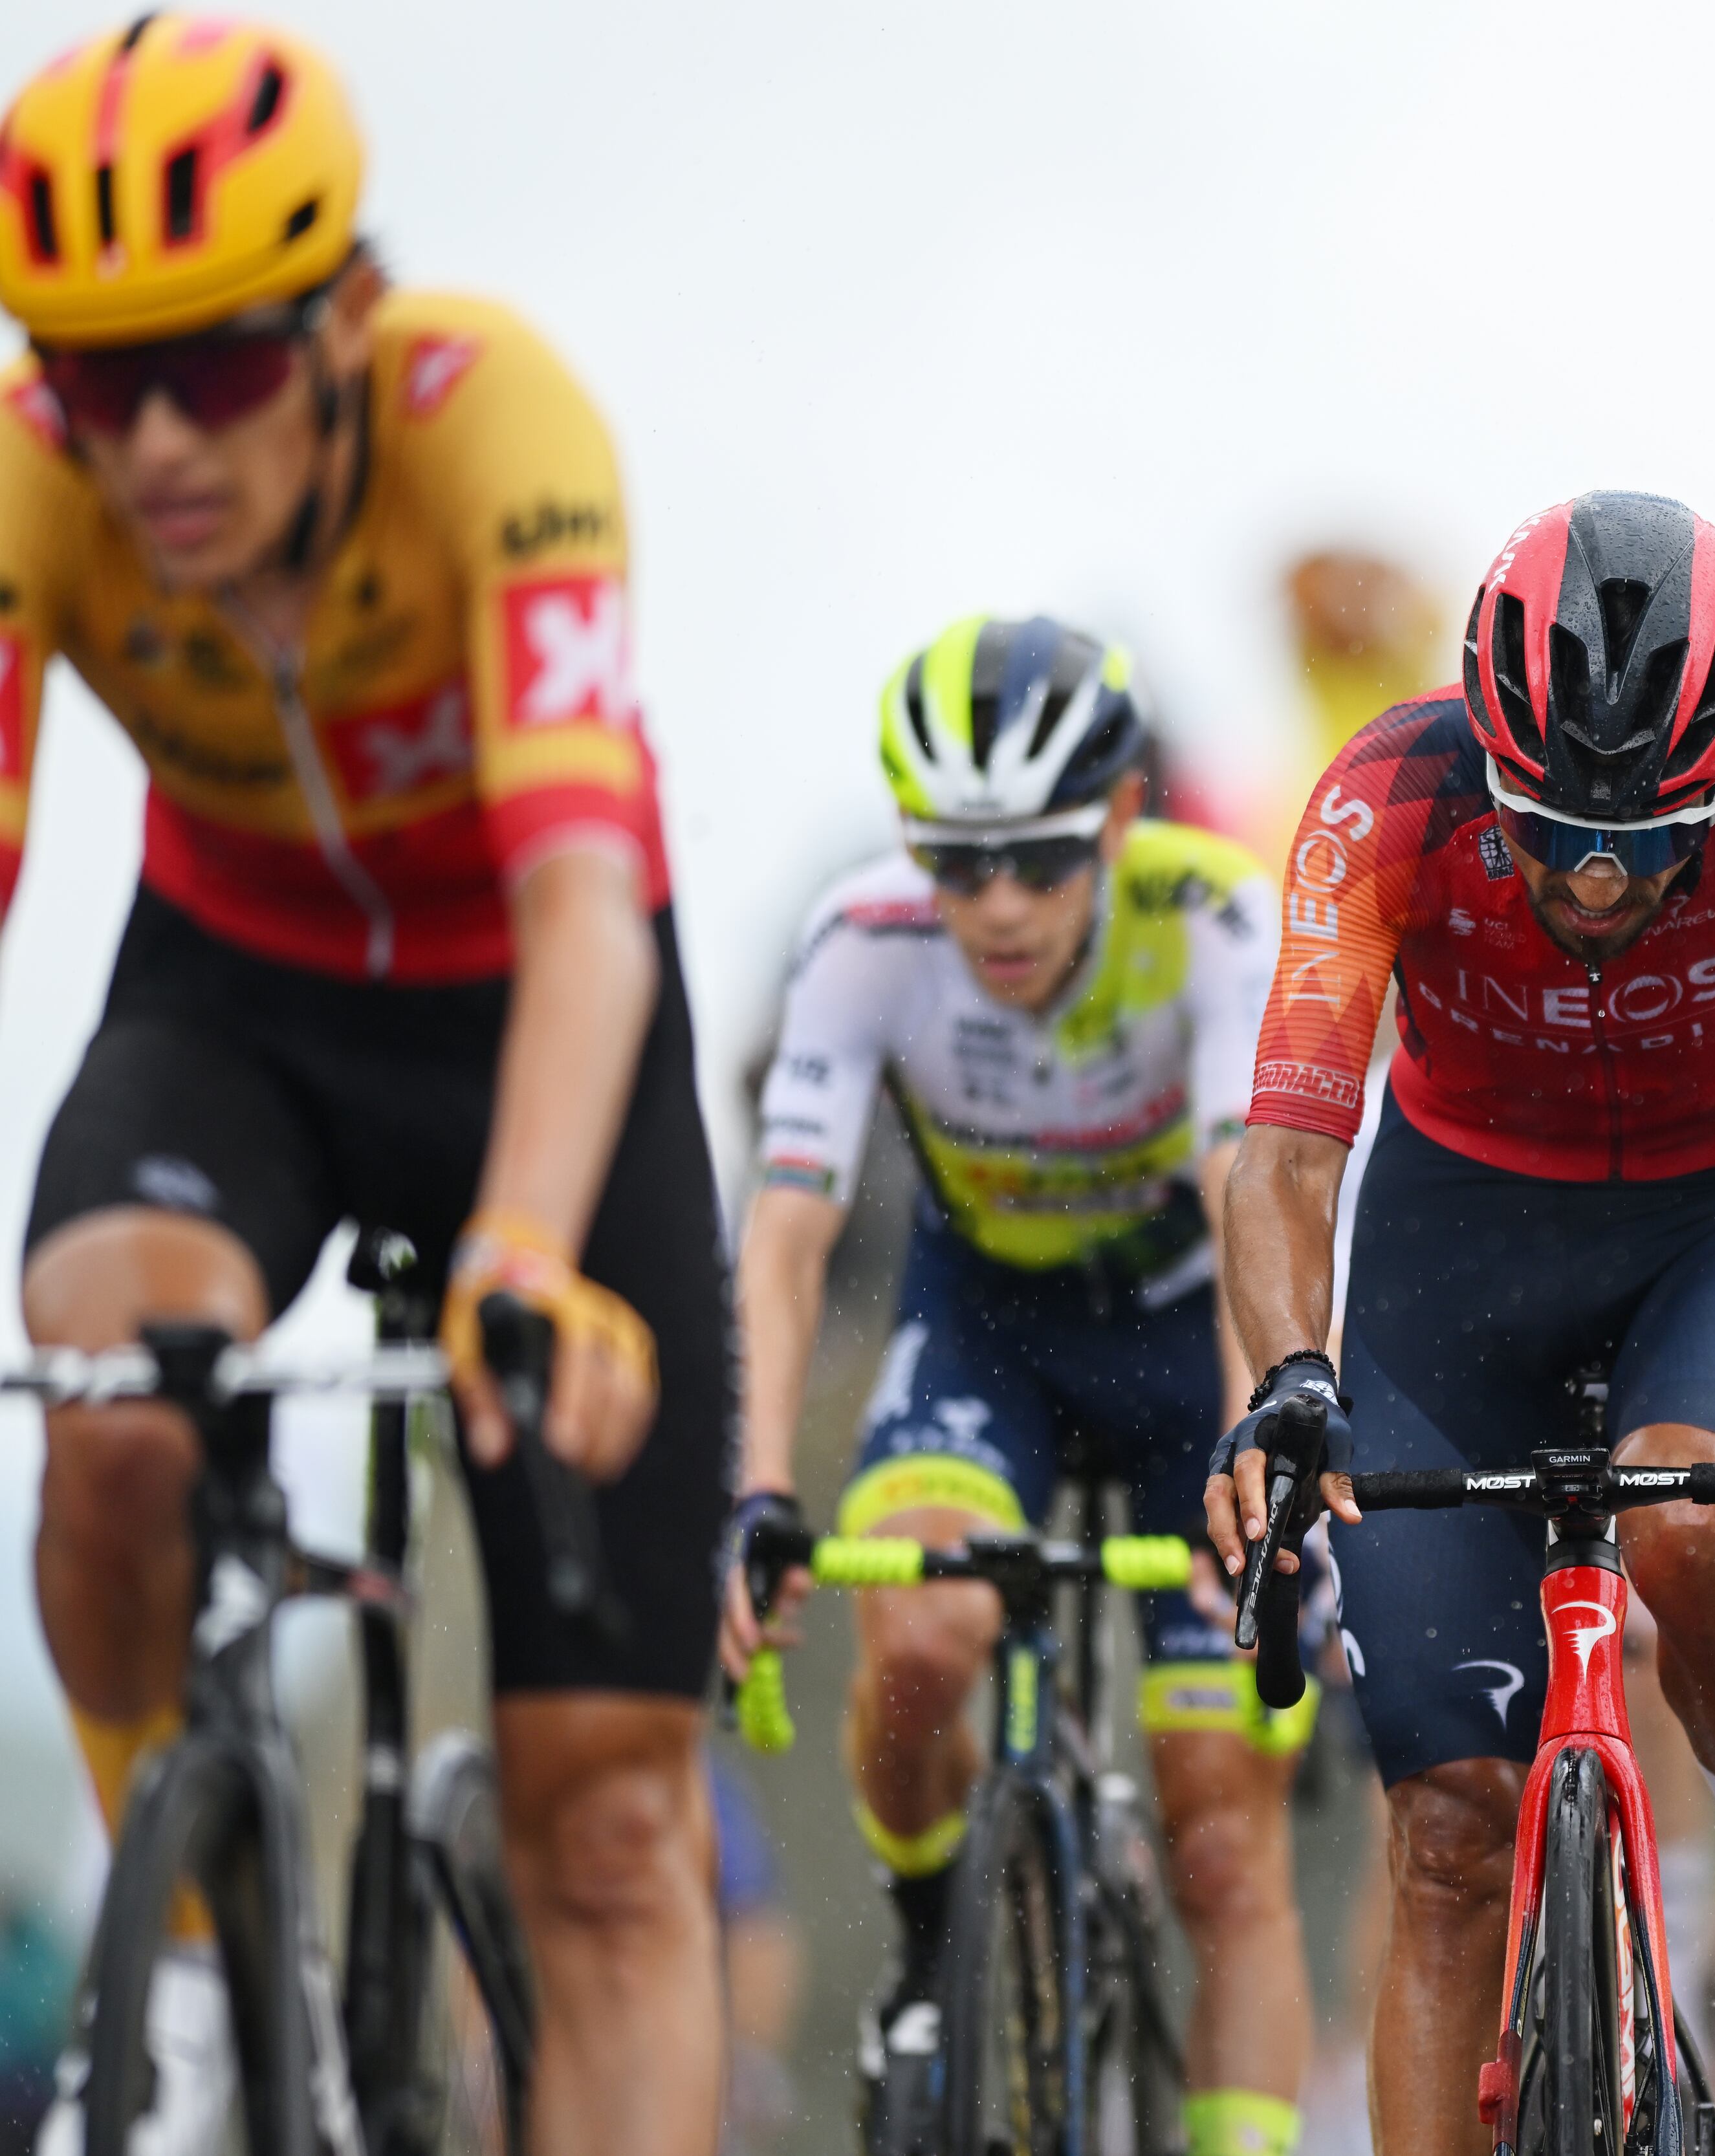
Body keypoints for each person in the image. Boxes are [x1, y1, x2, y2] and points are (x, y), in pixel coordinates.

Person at [0, 17, 733, 2153]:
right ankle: (193, 1968)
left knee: (609, 1819)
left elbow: (588, 900)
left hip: (537, 1010)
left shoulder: (496, 421)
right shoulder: (35, 477)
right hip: (239, 1005)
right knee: (113, 1417)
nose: (154, 442)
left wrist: (522, 1243)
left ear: (341, 319)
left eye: (214, 368)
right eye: (95, 380)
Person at [1205, 490, 1715, 2148]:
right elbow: (1288, 1150)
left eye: (1656, 835)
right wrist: (1292, 1377)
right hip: (1459, 1244)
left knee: (1693, 1526)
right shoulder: (1388, 789)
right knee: (1449, 1837)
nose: (1600, 876)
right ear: (1487, 749)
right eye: (1549, 827)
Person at [721, 615, 1315, 2156]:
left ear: (1117, 820)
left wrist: (1258, 1449)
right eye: (956, 859)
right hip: (992, 1324)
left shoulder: (1208, 914)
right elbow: (785, 1233)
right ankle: (933, 1947)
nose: (994, 903)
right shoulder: (863, 940)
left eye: (1039, 860)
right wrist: (756, 1487)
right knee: (922, 1629)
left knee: (1219, 1829)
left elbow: (1244, 1200)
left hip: (1191, 1340)